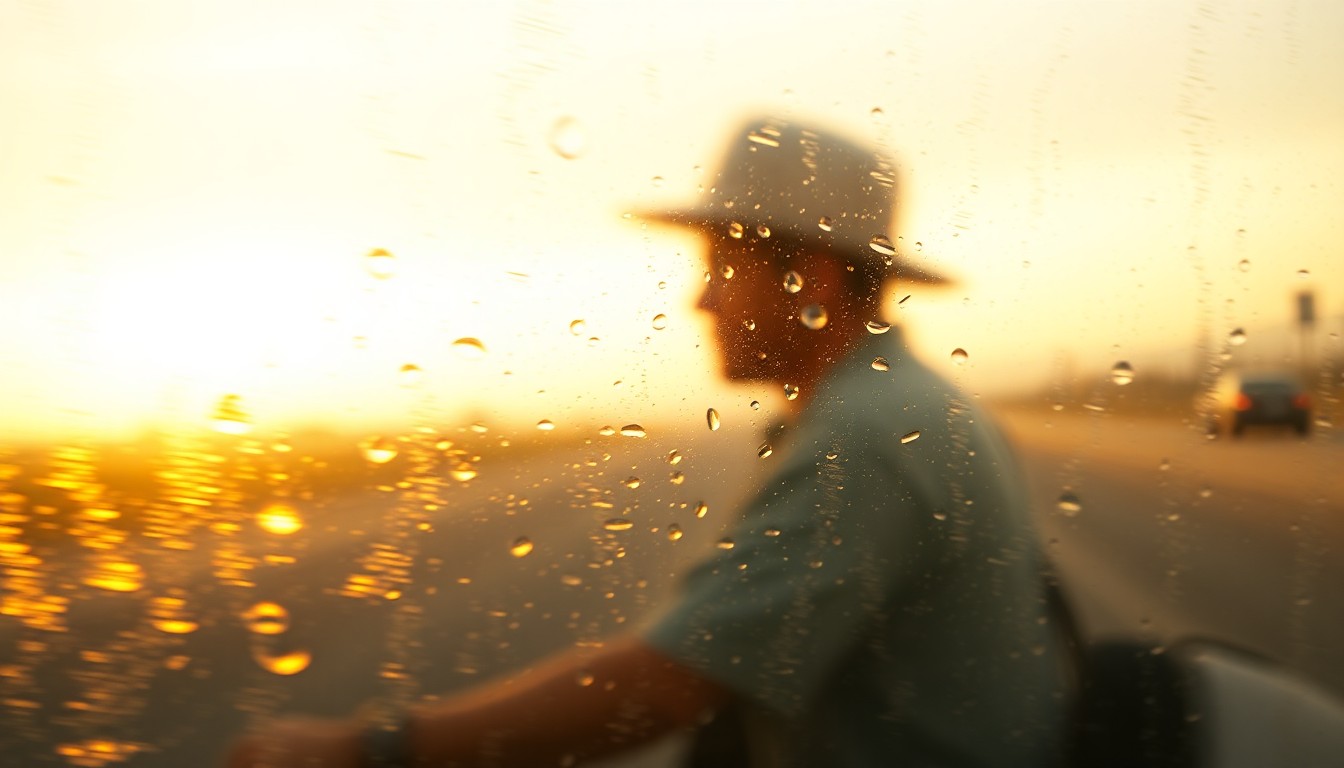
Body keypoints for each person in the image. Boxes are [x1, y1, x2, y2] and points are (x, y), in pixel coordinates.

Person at [225, 116, 1070, 768]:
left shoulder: (869, 432)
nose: (700, 300)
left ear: (809, 279)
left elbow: (671, 684)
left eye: (722, 264)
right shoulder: (902, 402)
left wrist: (367, 750)